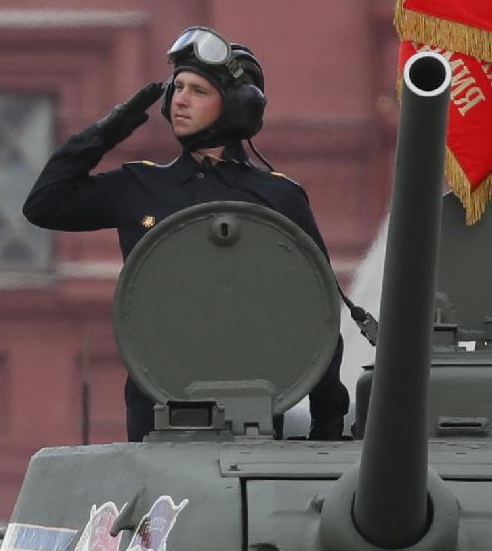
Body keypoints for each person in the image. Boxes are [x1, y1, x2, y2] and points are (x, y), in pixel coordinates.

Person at [23, 25, 351, 441]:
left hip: (254, 406)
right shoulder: (138, 186)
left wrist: (328, 423)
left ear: (236, 107)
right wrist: (111, 128)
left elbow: (315, 312)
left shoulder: (278, 198)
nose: (180, 100)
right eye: (177, 89)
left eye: (198, 91)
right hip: (156, 404)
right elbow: (43, 205)